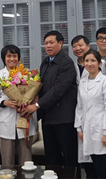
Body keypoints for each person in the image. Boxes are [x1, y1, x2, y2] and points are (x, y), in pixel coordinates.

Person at [22, 30, 78, 166]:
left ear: (60, 43)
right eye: (46, 43)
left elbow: (58, 90)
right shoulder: (45, 62)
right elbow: (42, 86)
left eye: (51, 42)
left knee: (69, 157)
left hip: (64, 119)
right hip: (48, 117)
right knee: (51, 158)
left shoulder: (66, 63)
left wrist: (36, 106)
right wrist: (32, 98)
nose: (48, 46)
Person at [75, 50, 106, 179]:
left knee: (102, 171)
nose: (89, 63)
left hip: (101, 132)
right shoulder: (83, 82)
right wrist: (79, 128)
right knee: (89, 171)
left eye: (93, 60)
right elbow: (79, 106)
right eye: (86, 61)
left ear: (99, 63)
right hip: (85, 132)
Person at [0, 44, 37, 166]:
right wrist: (5, 102)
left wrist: (28, 103)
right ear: (4, 58)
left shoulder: (26, 74)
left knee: (26, 160)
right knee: (7, 161)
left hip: (24, 119)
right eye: (9, 56)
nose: (12, 59)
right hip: (7, 120)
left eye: (15, 56)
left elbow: (34, 94)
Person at [71, 35, 95, 178]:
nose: (78, 48)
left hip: (95, 116)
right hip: (79, 114)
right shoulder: (73, 66)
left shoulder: (101, 65)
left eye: (80, 45)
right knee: (83, 156)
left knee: (97, 158)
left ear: (88, 46)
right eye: (74, 46)